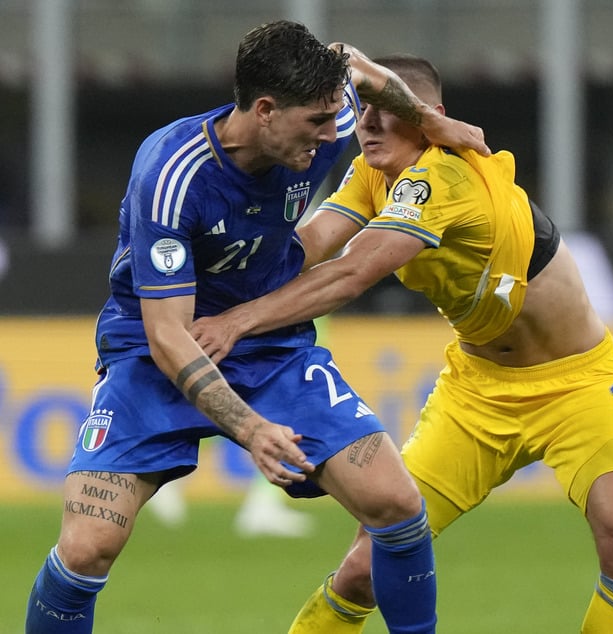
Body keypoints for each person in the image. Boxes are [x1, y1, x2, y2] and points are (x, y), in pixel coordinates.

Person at [24, 22, 489, 634]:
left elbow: (355, 63)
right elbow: (169, 334)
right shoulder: (171, 175)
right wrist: (251, 429)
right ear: (265, 110)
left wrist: (431, 122)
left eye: (334, 119)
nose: (334, 136)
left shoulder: (326, 109)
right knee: (87, 545)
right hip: (155, 346)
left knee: (397, 505)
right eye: (316, 125)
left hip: (270, 345)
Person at [192, 54, 613, 633]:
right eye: (361, 112)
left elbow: (351, 272)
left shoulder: (448, 175)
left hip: (580, 385)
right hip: (477, 393)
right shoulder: (374, 172)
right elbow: (310, 245)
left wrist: (235, 322)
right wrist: (209, 277)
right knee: (365, 567)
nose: (367, 125)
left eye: (386, 113)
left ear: (429, 117)